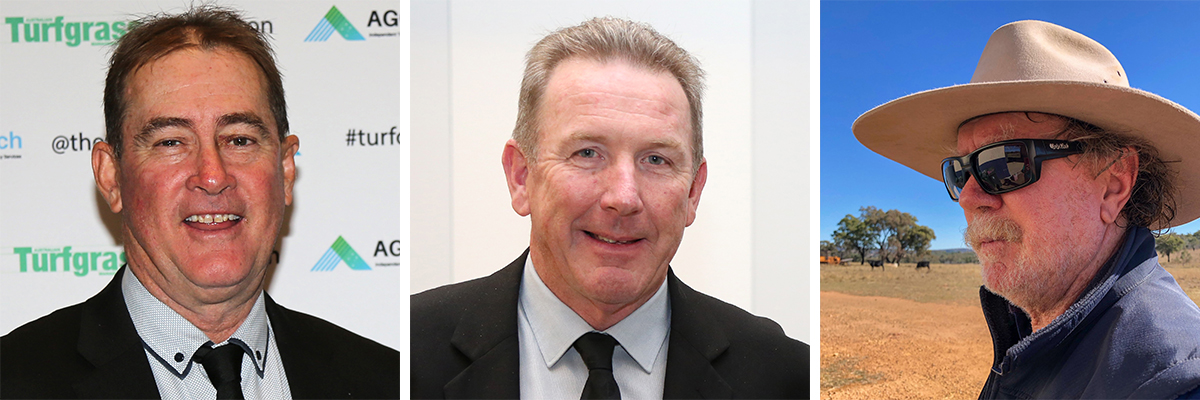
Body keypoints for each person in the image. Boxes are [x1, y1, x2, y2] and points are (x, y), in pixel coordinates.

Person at [0, 6, 399, 399]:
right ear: (111, 177)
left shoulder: (386, 380)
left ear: (285, 170)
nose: (212, 175)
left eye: (239, 139)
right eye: (171, 142)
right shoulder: (14, 379)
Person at [411, 17, 809, 399]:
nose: (623, 197)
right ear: (521, 176)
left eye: (656, 160)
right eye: (587, 153)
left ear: (693, 192)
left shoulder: (785, 378)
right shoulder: (410, 358)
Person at [854, 20, 1200, 399]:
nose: (968, 197)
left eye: (1004, 163)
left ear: (1113, 184)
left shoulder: (1173, 383)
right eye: (959, 172)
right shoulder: (1035, 326)